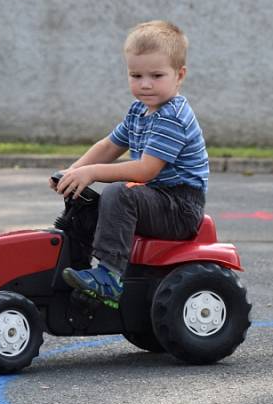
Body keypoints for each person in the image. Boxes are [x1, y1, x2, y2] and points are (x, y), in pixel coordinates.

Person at [52, 20, 209, 307]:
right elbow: (110, 145)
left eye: (156, 75)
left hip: (180, 207)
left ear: (179, 75)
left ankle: (109, 276)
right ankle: (74, 271)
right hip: (154, 199)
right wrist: (73, 172)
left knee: (119, 192)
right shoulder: (139, 110)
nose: (145, 84)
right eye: (136, 75)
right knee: (84, 204)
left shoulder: (171, 116)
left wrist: (93, 172)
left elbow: (145, 170)